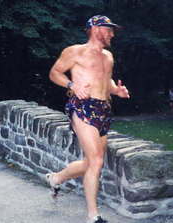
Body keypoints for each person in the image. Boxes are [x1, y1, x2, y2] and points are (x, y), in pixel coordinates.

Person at [47, 15, 130, 223]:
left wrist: (116, 90)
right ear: (95, 28)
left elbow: (106, 79)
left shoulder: (108, 56)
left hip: (104, 108)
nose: (112, 33)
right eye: (108, 29)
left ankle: (56, 178)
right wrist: (72, 86)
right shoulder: (75, 51)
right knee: (96, 161)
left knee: (91, 162)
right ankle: (93, 216)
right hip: (83, 107)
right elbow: (54, 73)